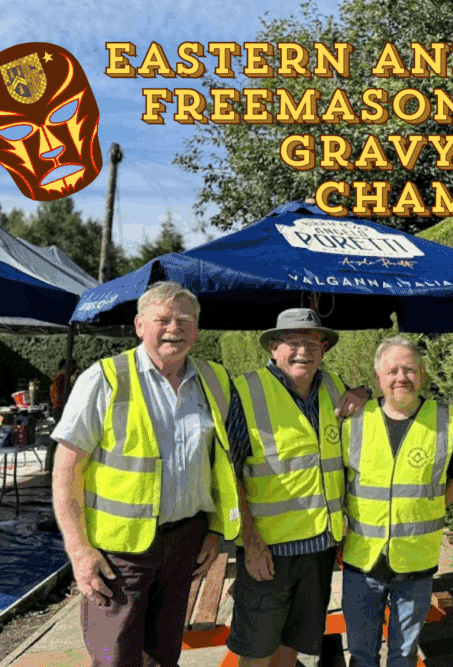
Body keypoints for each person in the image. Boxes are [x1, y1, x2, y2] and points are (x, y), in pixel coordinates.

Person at [51, 282, 240, 667]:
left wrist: (216, 530)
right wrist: (78, 549)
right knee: (116, 657)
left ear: (197, 331)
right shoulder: (105, 379)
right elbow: (67, 469)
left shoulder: (215, 379)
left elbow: (220, 463)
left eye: (185, 320)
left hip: (185, 540)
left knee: (163, 656)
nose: (175, 328)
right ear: (139, 326)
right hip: (118, 554)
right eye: (163, 319)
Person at [226, 308, 364, 667]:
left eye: (313, 343)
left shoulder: (335, 387)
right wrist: (249, 540)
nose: (304, 351)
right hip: (268, 552)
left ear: (324, 350)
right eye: (293, 342)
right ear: (273, 347)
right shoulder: (245, 392)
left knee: (295, 646)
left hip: (320, 545)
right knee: (257, 651)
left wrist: (363, 393)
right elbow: (228, 474)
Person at [340, 335, 453, 667]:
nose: (401, 377)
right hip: (363, 561)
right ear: (378, 377)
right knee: (361, 654)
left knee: (404, 655)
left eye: (409, 369)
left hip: (416, 563)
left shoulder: (444, 420)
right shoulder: (354, 419)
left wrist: (434, 508)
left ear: (423, 374)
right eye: (393, 370)